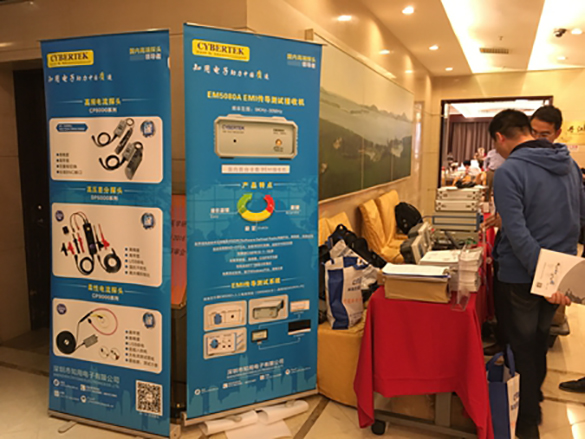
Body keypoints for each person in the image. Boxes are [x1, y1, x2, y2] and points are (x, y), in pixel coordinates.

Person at [489, 109, 585, 439]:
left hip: (522, 275)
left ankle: (527, 420)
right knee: (538, 341)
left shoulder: (509, 171)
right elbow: (577, 219)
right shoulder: (569, 165)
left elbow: (517, 234)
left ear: (500, 137)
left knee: (520, 347)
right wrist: (560, 276)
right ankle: (534, 400)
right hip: (557, 273)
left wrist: (545, 277)